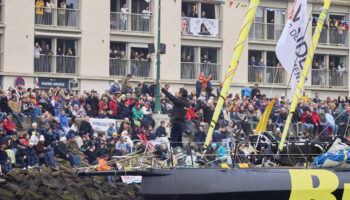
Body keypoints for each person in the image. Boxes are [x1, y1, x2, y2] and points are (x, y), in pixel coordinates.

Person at [160, 81, 190, 148]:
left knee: (173, 141)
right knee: (179, 141)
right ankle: (180, 155)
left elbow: (171, 97)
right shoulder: (187, 103)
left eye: (178, 92)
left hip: (176, 123)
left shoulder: (180, 102)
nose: (177, 93)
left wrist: (163, 89)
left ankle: (173, 155)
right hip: (181, 124)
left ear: (181, 94)